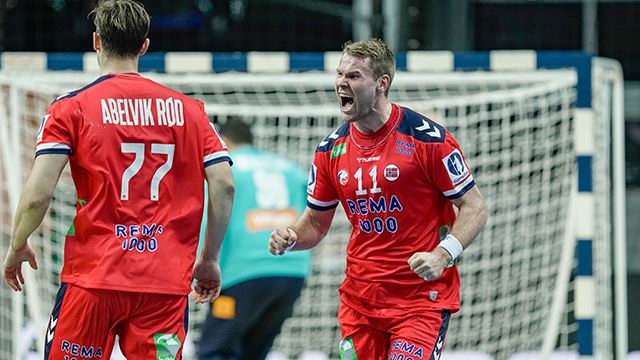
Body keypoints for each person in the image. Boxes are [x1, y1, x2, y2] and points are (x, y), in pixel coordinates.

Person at [2, 1, 234, 359]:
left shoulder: (71, 107)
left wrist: (18, 243)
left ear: (96, 41)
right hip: (164, 283)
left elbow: (37, 194)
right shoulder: (191, 111)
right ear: (144, 46)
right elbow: (224, 184)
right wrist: (209, 258)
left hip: (94, 279)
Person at [269, 38, 488, 360]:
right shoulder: (330, 150)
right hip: (360, 301)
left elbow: (475, 206)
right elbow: (315, 224)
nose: (342, 83)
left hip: (418, 301)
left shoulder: (427, 140)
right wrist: (290, 237)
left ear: (382, 83)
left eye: (354, 76)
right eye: (340, 74)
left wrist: (443, 254)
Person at [197, 118, 311, 360]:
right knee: (253, 353)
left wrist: (200, 267)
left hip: (243, 273)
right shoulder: (289, 168)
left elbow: (210, 220)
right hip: (293, 273)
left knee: (215, 350)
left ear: (223, 142)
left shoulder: (225, 169)